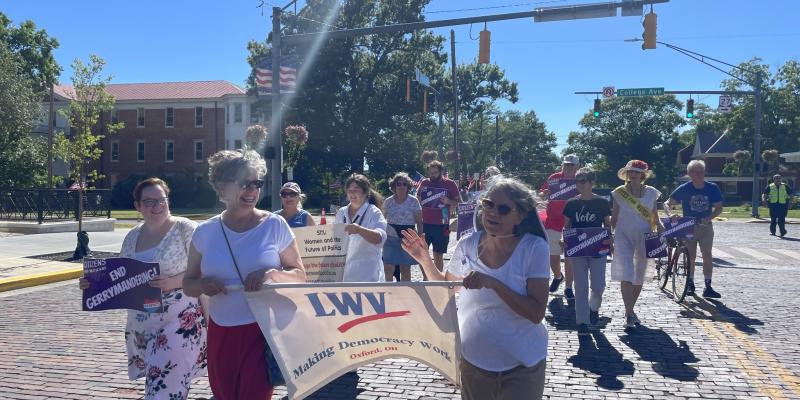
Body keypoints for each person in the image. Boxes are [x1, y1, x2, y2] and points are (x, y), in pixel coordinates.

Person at [401, 177, 550, 400]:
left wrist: (493, 283)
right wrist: (424, 260)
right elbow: (448, 288)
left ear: (520, 216)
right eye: (488, 204)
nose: (493, 212)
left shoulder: (534, 248)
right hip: (474, 362)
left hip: (522, 364)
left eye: (503, 209)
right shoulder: (467, 244)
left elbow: (536, 313)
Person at [183, 149, 307, 400]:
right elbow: (188, 284)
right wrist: (203, 285)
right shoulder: (205, 232)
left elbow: (299, 275)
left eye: (257, 183)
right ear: (221, 188)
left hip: (260, 333)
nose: (252, 191)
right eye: (244, 183)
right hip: (220, 333)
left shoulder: (274, 225)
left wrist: (271, 273)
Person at [79, 178, 207, 400]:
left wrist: (173, 282)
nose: (156, 206)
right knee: (162, 383)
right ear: (137, 206)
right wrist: (92, 285)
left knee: (162, 389)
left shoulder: (186, 229)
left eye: (161, 200)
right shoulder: (132, 236)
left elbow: (206, 269)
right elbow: (120, 276)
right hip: (143, 324)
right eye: (148, 201)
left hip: (180, 320)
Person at [610, 160, 664, 330]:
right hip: (623, 236)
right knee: (626, 273)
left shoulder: (651, 193)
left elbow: (655, 216)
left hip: (645, 236)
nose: (632, 175)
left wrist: (662, 229)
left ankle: (630, 311)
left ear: (643, 175)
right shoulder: (619, 193)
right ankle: (629, 313)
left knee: (639, 275)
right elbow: (614, 217)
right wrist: (610, 236)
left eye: (635, 172)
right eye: (630, 172)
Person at [562, 167, 612, 335]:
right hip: (578, 250)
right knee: (580, 286)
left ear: (592, 182)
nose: (579, 184)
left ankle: (593, 307)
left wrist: (610, 238)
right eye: (577, 181)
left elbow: (607, 225)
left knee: (598, 286)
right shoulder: (571, 203)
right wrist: (564, 239)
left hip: (598, 249)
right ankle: (582, 321)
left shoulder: (602, 203)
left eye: (583, 181)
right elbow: (566, 226)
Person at [664, 160, 724, 298]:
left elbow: (719, 207)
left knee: (707, 255)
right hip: (688, 226)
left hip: (705, 227)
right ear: (690, 174)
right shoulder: (685, 188)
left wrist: (709, 217)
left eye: (702, 172)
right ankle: (690, 282)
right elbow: (667, 203)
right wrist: (670, 214)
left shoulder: (712, 188)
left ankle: (708, 285)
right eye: (696, 172)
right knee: (690, 256)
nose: (700, 175)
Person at [539, 154, 579, 299]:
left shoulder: (580, 179)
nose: (568, 168)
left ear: (577, 167)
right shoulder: (553, 177)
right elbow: (542, 194)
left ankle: (569, 288)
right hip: (553, 221)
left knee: (569, 257)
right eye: (566, 165)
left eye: (571, 165)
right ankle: (558, 276)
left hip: (572, 222)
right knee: (553, 257)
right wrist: (543, 194)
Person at [335, 173, 388, 282]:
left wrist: (359, 230)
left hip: (368, 276)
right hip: (344, 275)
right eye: (349, 190)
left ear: (366, 192)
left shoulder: (374, 212)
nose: (352, 193)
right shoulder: (341, 212)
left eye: (356, 189)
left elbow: (379, 238)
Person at [417, 160, 461, 274]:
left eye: (435, 172)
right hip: (425, 223)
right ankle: (425, 278)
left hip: (443, 223)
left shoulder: (450, 184)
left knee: (438, 254)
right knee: (423, 253)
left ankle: (437, 281)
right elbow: (417, 198)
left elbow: (459, 202)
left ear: (441, 172)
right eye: (430, 173)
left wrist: (449, 201)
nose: (432, 175)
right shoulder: (424, 183)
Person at [382, 172, 423, 282]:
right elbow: (381, 220)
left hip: (408, 238)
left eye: (404, 184)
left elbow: (419, 222)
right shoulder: (388, 201)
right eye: (398, 184)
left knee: (405, 268)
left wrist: (420, 239)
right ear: (394, 186)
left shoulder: (413, 201)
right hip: (390, 237)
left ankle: (405, 293)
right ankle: (389, 293)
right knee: (388, 268)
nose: (401, 186)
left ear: (408, 186)